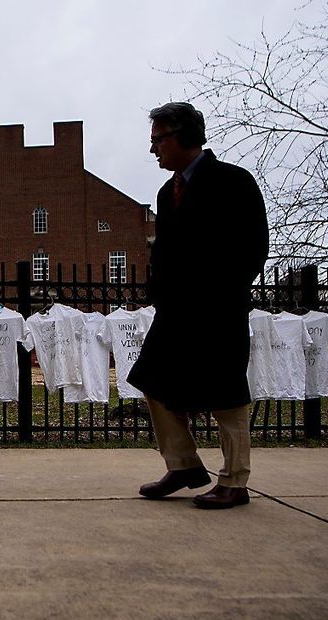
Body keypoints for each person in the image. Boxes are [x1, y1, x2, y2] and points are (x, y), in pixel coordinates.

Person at [127, 102, 268, 509]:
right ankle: (184, 465)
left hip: (218, 308)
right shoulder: (165, 193)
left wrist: (223, 291)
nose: (153, 148)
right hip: (175, 311)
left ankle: (234, 481)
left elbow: (254, 247)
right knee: (152, 378)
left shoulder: (234, 182)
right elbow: (166, 251)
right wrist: (157, 288)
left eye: (159, 139)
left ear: (185, 136)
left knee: (226, 393)